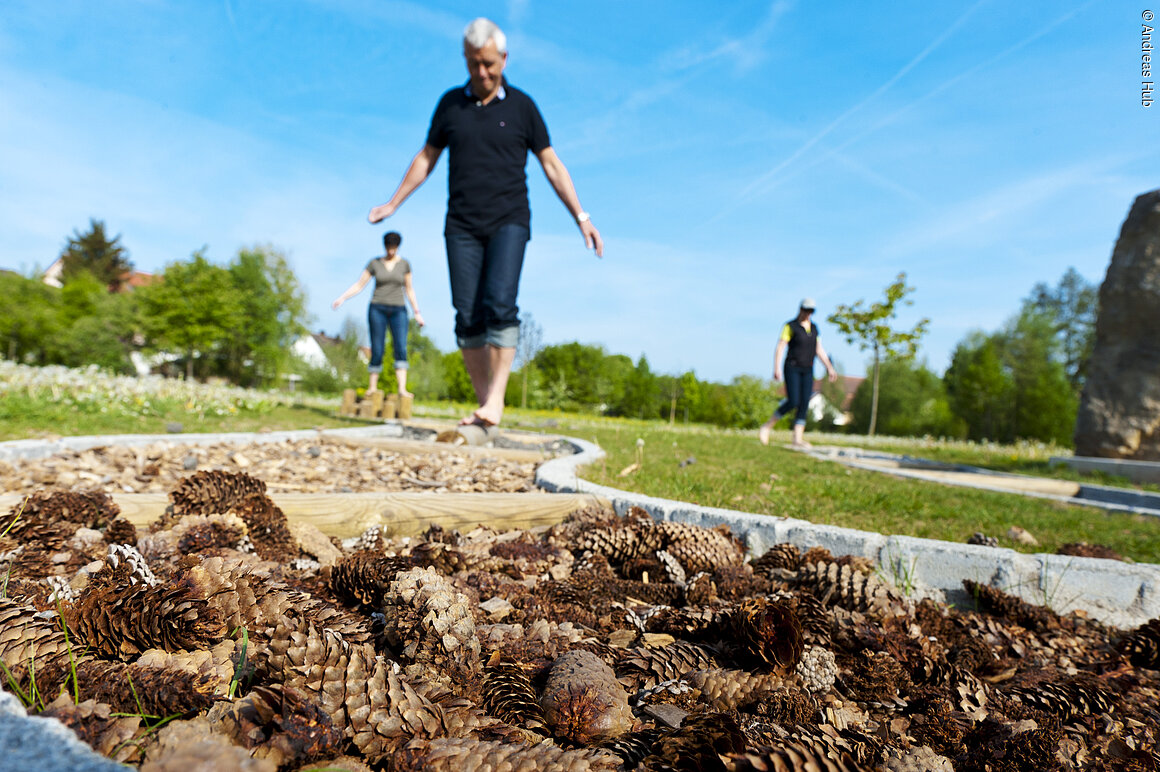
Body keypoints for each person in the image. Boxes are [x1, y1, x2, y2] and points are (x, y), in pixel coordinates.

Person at [368, 17, 603, 428]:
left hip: (509, 220)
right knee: (467, 314)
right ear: (465, 58)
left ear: (504, 58)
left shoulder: (522, 107)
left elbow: (550, 163)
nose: (482, 72)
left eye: (490, 64)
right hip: (461, 225)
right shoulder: (450, 105)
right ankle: (486, 406)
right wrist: (394, 202)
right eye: (475, 63)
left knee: (499, 303)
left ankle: (496, 399)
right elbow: (427, 157)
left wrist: (580, 216)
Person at [332, 231, 426, 397]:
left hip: (399, 309)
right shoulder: (374, 263)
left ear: (398, 247)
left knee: (401, 347)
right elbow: (359, 285)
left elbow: (409, 289)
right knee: (377, 348)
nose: (391, 251)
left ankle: (402, 389)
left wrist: (417, 312)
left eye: (394, 247)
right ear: (385, 246)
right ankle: (372, 388)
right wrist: (342, 298)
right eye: (389, 247)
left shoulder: (404, 264)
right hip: (377, 308)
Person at [758, 297, 838, 449]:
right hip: (792, 367)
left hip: (808, 369)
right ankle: (767, 427)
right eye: (806, 310)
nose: (808, 314)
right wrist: (776, 367)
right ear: (800, 309)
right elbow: (780, 346)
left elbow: (818, 349)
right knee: (793, 400)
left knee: (804, 403)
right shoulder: (790, 326)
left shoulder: (814, 328)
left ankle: (797, 438)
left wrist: (829, 367)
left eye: (811, 311)